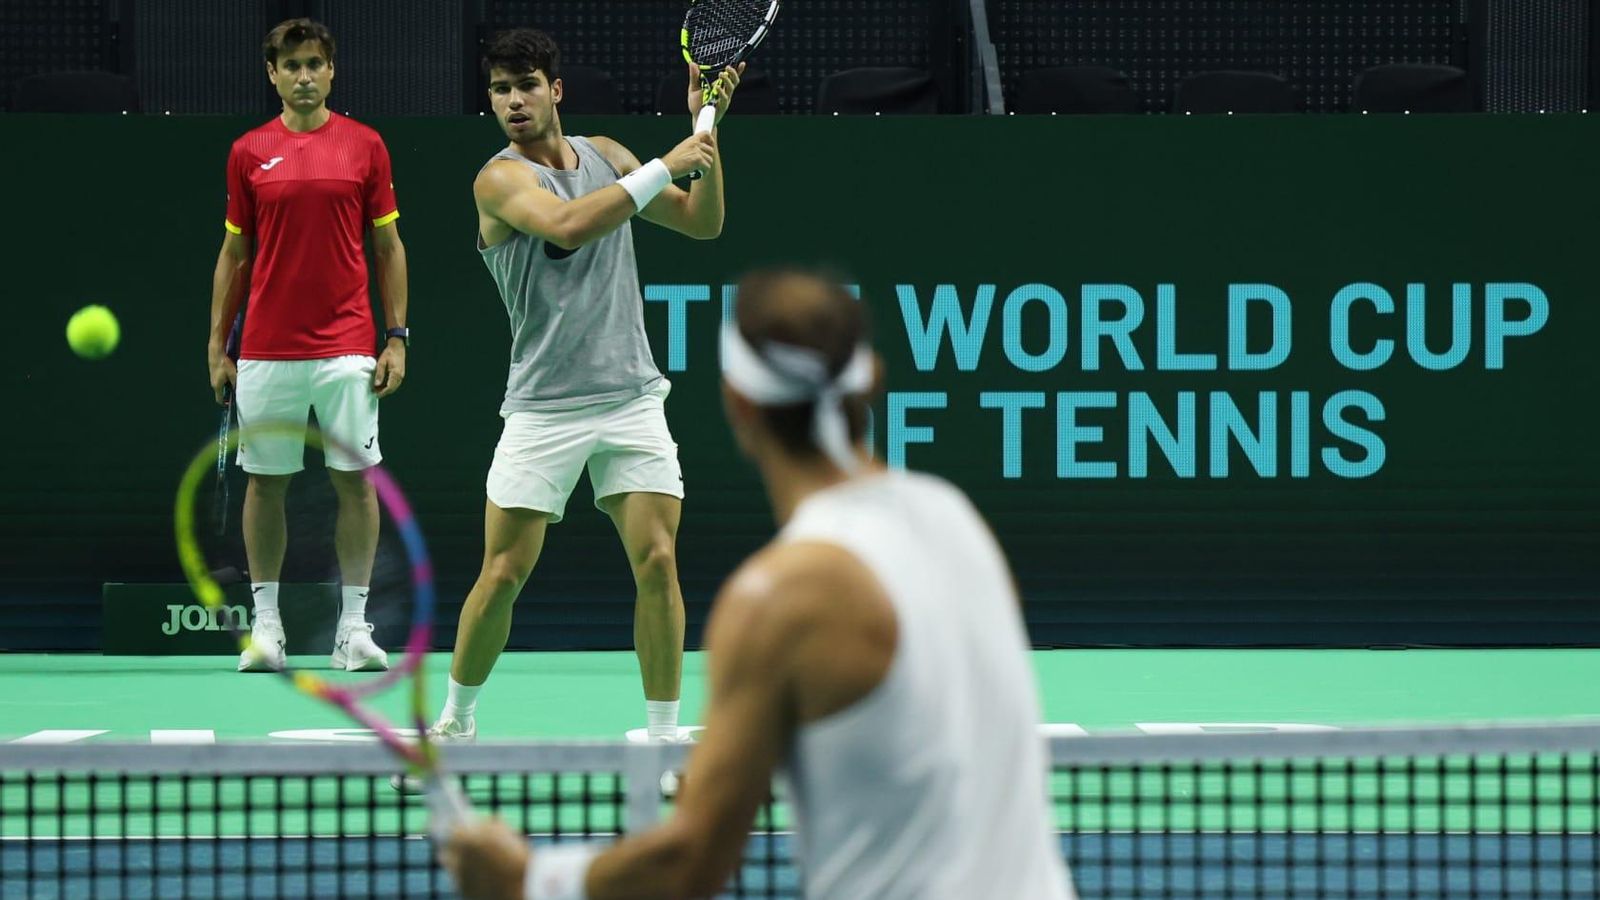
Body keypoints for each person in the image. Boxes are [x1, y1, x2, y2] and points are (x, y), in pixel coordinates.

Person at [441, 269, 1077, 899]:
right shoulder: (957, 520)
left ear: (737, 405)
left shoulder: (779, 598)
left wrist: (531, 880)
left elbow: (691, 863)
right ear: (873, 382)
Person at [424, 28, 738, 747]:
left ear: (555, 90)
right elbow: (567, 224)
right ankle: (457, 720)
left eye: (526, 85)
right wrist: (667, 164)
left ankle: (663, 735)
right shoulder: (498, 180)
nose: (513, 101)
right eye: (501, 90)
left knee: (658, 560)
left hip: (631, 396)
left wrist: (704, 134)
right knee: (502, 571)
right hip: (542, 408)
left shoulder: (610, 157)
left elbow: (703, 224)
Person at [207, 17, 409, 673]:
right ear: (272, 74)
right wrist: (219, 345)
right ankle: (267, 629)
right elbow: (235, 253)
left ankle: (353, 629)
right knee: (266, 484)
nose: (302, 76)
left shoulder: (365, 146)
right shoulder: (248, 152)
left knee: (355, 481)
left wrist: (396, 336)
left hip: (348, 343)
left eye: (313, 65)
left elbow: (387, 247)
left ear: (331, 70)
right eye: (290, 66)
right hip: (267, 347)